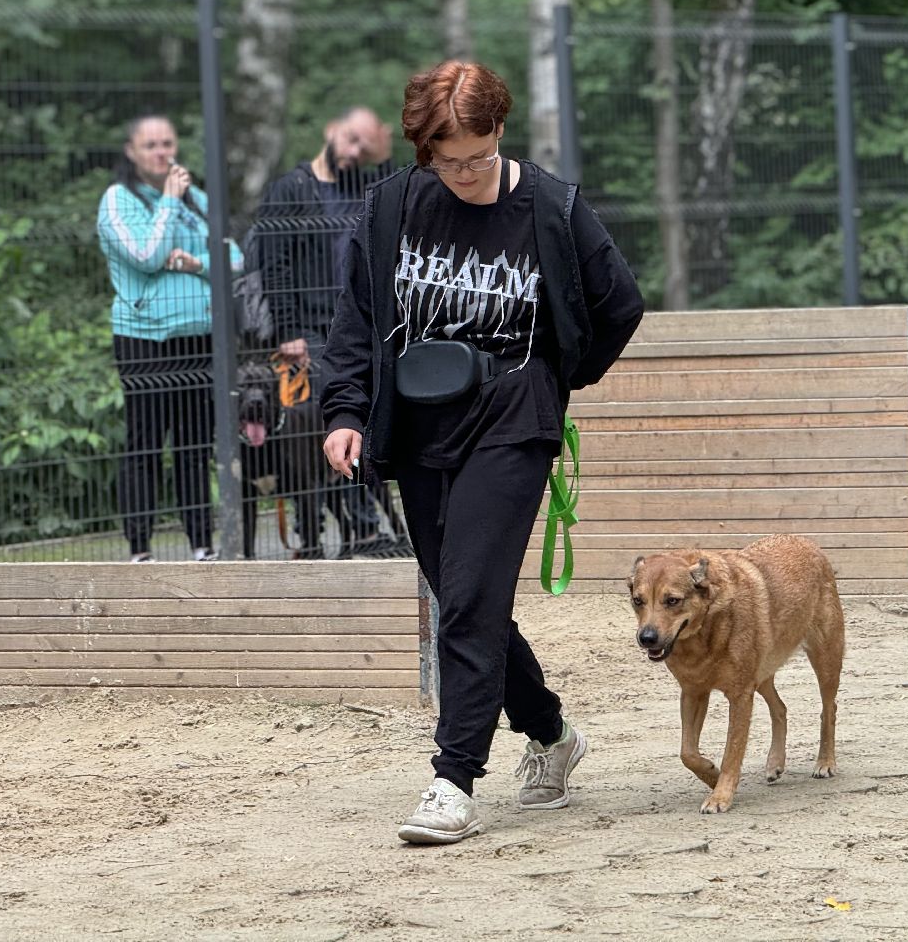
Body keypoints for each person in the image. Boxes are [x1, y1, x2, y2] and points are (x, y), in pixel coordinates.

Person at [320, 60, 645, 844]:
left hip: (512, 416)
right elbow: (358, 319)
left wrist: (553, 378)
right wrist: (343, 411)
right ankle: (551, 734)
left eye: (477, 154)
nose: (463, 173)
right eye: (446, 159)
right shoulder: (393, 206)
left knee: (465, 598)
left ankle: (452, 779)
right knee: (470, 600)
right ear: (421, 148)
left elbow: (620, 304)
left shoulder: (552, 208)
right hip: (420, 422)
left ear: (501, 130)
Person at [257, 107, 406, 558]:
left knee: (362, 420)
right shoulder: (291, 189)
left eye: (364, 144)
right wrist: (287, 331)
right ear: (329, 131)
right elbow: (275, 266)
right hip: (308, 329)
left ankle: (363, 530)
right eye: (349, 139)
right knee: (327, 426)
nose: (354, 151)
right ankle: (334, 530)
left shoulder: (365, 188)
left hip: (359, 325)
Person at [97, 115, 241, 564]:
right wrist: (167, 203)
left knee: (195, 443)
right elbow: (146, 254)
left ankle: (202, 543)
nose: (161, 153)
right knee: (145, 442)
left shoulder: (196, 198)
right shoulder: (118, 200)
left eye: (167, 144)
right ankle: (140, 547)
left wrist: (194, 263)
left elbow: (233, 255)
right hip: (144, 339)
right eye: (150, 145)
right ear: (131, 151)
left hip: (198, 337)